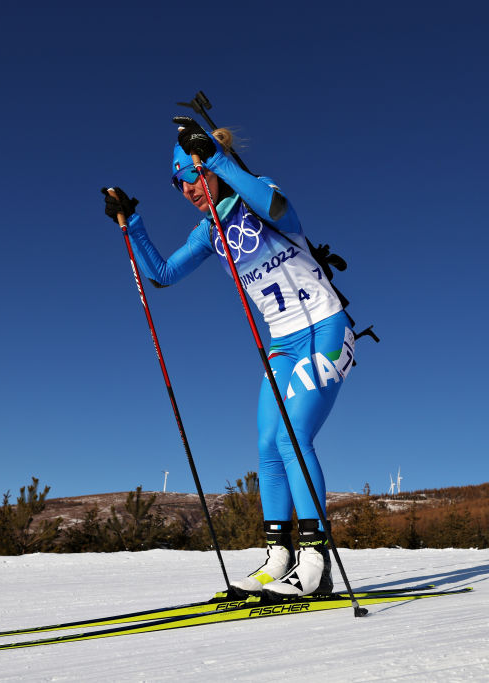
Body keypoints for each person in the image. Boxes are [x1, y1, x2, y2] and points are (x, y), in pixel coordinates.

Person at [101, 116, 355, 597]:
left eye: (193, 175)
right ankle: (278, 556)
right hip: (283, 343)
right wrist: (131, 222)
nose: (189, 189)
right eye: (180, 184)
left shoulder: (259, 192)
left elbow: (277, 206)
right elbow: (162, 274)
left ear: (211, 166)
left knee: (295, 437)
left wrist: (215, 158)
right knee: (268, 446)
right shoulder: (207, 232)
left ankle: (315, 560)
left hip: (325, 327)